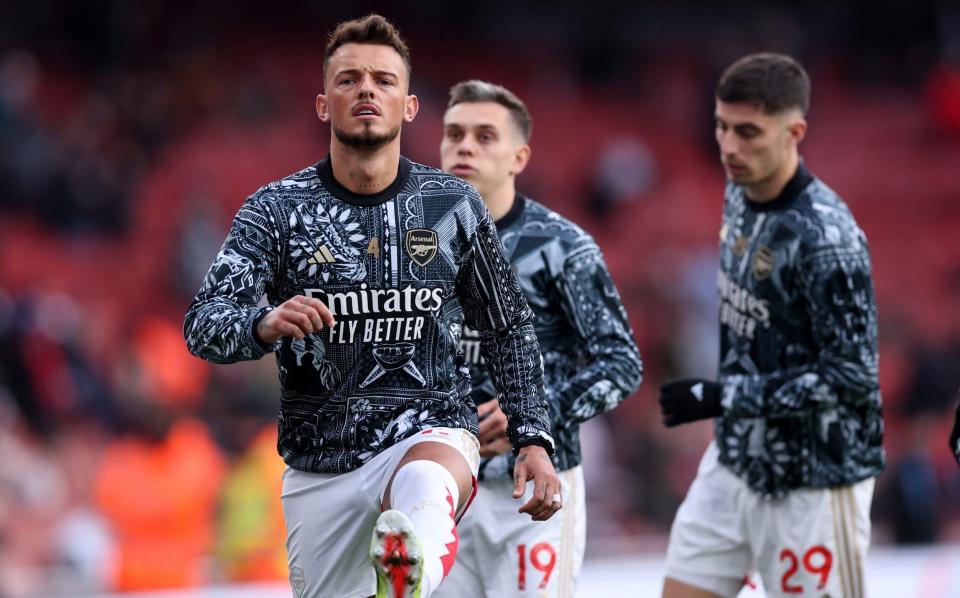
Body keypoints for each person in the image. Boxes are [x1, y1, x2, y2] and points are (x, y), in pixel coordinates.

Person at [183, 15, 561, 598]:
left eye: (384, 80)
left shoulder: (452, 204)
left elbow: (508, 324)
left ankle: (410, 566)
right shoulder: (275, 210)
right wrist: (262, 324)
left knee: (425, 484)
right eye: (349, 79)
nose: (366, 90)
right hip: (321, 463)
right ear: (322, 103)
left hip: (429, 428)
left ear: (409, 106)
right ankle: (402, 569)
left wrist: (533, 436)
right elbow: (203, 322)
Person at [658, 53, 884, 598]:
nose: (730, 147)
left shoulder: (827, 239)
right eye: (722, 127)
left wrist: (723, 396)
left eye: (749, 132)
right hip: (735, 460)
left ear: (795, 132)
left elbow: (851, 377)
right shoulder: (740, 192)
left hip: (814, 477)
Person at [434, 80, 643, 597]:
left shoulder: (562, 248)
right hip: (438, 488)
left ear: (518, 156)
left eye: (485, 136)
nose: (465, 146)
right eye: (454, 134)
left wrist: (535, 414)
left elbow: (621, 364)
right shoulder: (410, 246)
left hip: (532, 496)